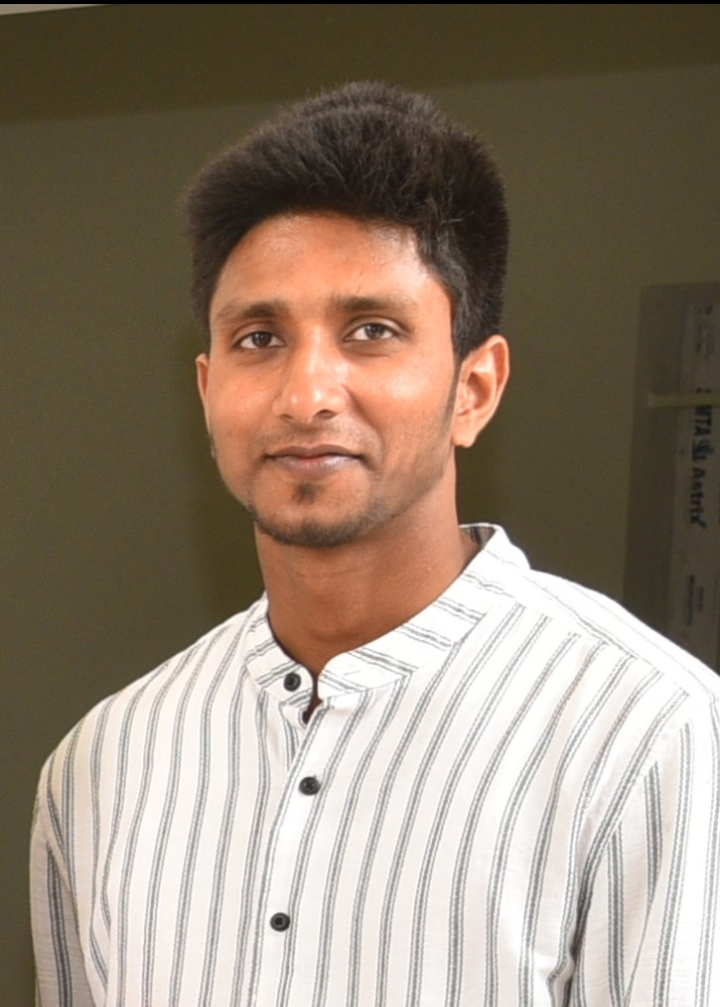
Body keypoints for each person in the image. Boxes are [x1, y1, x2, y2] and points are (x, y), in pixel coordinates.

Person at [31, 81, 719, 1007]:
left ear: (475, 389)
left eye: (372, 331)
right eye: (259, 337)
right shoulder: (104, 764)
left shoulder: (647, 736)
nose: (307, 393)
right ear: (206, 390)